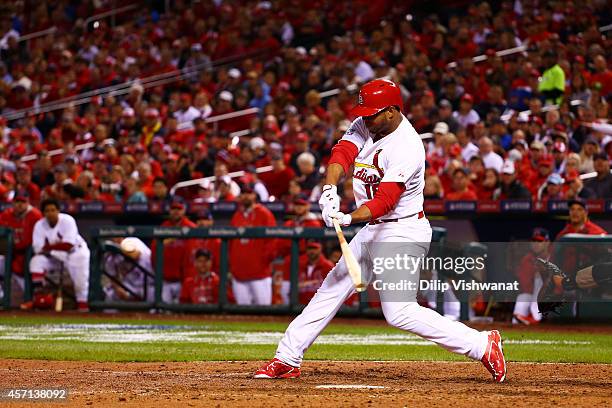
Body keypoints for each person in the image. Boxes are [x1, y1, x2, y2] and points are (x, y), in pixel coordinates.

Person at [254, 79, 506, 382]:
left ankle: (482, 344)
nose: (365, 118)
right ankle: (287, 358)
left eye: (372, 113)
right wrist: (329, 188)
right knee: (332, 286)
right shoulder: (371, 122)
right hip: (374, 227)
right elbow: (343, 152)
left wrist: (348, 217)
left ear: (391, 111)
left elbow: (385, 201)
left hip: (403, 230)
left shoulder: (407, 147)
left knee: (399, 312)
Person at [23, 198, 90, 311]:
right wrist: (51, 248)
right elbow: (37, 248)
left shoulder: (67, 220)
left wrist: (48, 247)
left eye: (53, 210)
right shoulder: (40, 224)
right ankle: (39, 297)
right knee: (36, 262)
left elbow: (68, 245)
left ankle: (82, 307)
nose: (50, 213)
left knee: (80, 283)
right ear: (43, 213)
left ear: (58, 211)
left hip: (76, 253)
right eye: (47, 211)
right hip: (55, 255)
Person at [229, 183, 277, 305]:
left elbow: (273, 241)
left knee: (263, 313)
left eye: (249, 193)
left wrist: (263, 260)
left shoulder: (264, 214)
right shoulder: (236, 216)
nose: (246, 196)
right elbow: (230, 243)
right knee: (243, 315)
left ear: (254, 195)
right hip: (239, 274)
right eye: (243, 194)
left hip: (260, 274)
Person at [151, 200, 196, 303]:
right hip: (165, 280)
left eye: (179, 209)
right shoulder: (163, 227)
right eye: (173, 209)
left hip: (184, 280)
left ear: (184, 211)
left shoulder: (191, 227)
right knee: (162, 311)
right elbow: (154, 250)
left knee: (183, 313)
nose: (176, 212)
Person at [0, 193, 42, 292]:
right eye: (17, 201)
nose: (19, 204)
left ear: (28, 203)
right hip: (10, 254)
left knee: (26, 290)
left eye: (22, 202)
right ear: (12, 203)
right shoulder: (6, 214)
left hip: (29, 254)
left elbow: (34, 241)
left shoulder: (35, 215)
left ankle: (34, 297)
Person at [512, 228, 550, 325]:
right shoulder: (527, 259)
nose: (536, 244)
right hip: (535, 296)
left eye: (540, 241)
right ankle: (516, 326)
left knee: (539, 277)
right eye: (534, 241)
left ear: (547, 243)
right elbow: (525, 286)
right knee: (522, 298)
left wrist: (544, 273)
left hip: (553, 297)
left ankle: (535, 317)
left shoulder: (554, 256)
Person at [103, 237, 153, 302]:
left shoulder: (142, 252)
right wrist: (118, 289)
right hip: (128, 285)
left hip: (147, 285)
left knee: (152, 294)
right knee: (111, 295)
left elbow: (150, 280)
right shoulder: (112, 256)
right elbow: (113, 276)